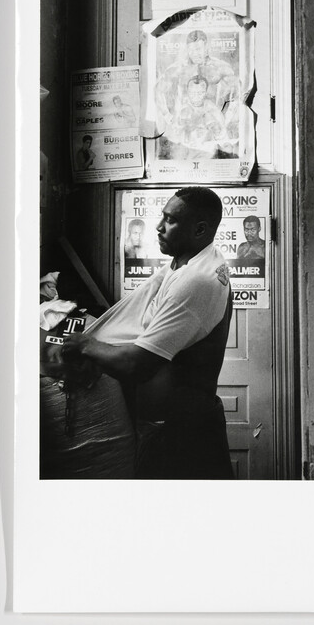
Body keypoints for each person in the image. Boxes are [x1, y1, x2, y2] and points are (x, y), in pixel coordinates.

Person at [62, 187, 234, 479]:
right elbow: (142, 322)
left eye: (170, 220)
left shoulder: (197, 281)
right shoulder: (190, 261)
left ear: (200, 229)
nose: (158, 226)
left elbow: (138, 365)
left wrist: (85, 345)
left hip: (183, 437)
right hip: (172, 428)